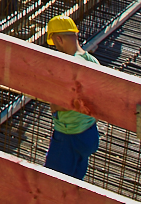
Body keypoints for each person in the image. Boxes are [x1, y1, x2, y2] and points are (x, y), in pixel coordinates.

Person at [41, 15, 101, 180]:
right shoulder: (93, 61)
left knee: (53, 185)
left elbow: (61, 103)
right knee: (74, 185)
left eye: (55, 44)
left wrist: (53, 104)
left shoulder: (68, 66)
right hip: (89, 134)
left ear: (59, 39)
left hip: (69, 136)